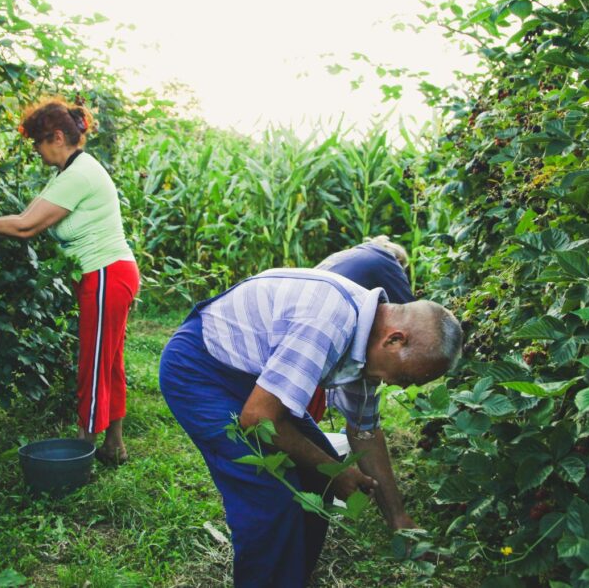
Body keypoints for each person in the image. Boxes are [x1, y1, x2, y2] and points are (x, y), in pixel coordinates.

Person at [158, 267, 462, 587]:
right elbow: (259, 419)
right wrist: (336, 471)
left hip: (254, 378)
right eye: (405, 377)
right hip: (200, 370)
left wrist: (398, 519)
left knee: (316, 480)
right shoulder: (328, 323)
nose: (399, 385)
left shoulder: (369, 338)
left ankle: (292, 579)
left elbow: (365, 432)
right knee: (270, 496)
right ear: (395, 339)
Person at [0, 97, 139, 465]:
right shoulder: (71, 173)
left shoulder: (79, 175)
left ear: (57, 137)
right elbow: (28, 215)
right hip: (109, 273)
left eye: (38, 142)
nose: (35, 150)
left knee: (94, 365)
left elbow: (24, 226)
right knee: (108, 362)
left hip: (106, 273)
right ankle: (114, 446)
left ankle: (81, 452)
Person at [307, 235, 416, 421]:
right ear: (398, 261)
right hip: (324, 329)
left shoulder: (347, 255)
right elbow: (409, 313)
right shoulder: (387, 260)